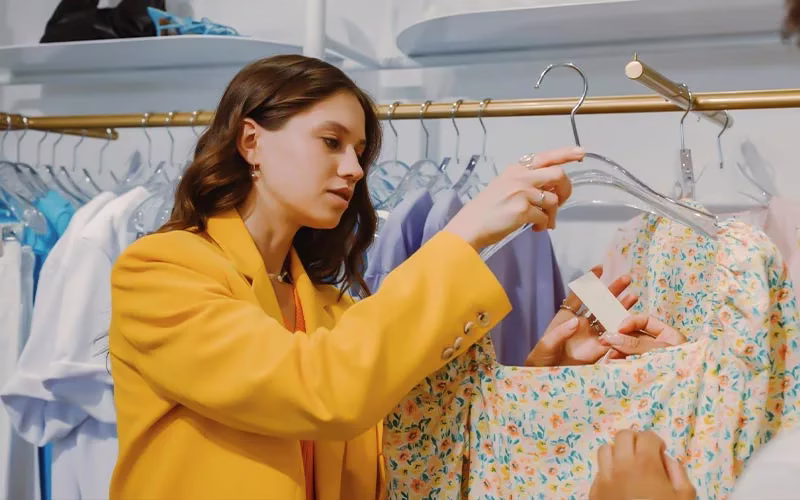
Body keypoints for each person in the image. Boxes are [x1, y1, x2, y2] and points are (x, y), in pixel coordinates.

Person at [108, 54, 687, 499]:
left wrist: (542, 369)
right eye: (331, 142)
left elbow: (415, 443)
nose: (354, 169)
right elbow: (319, 390)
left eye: (359, 150)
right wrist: (465, 234)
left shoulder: (331, 309)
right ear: (251, 140)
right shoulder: (159, 272)